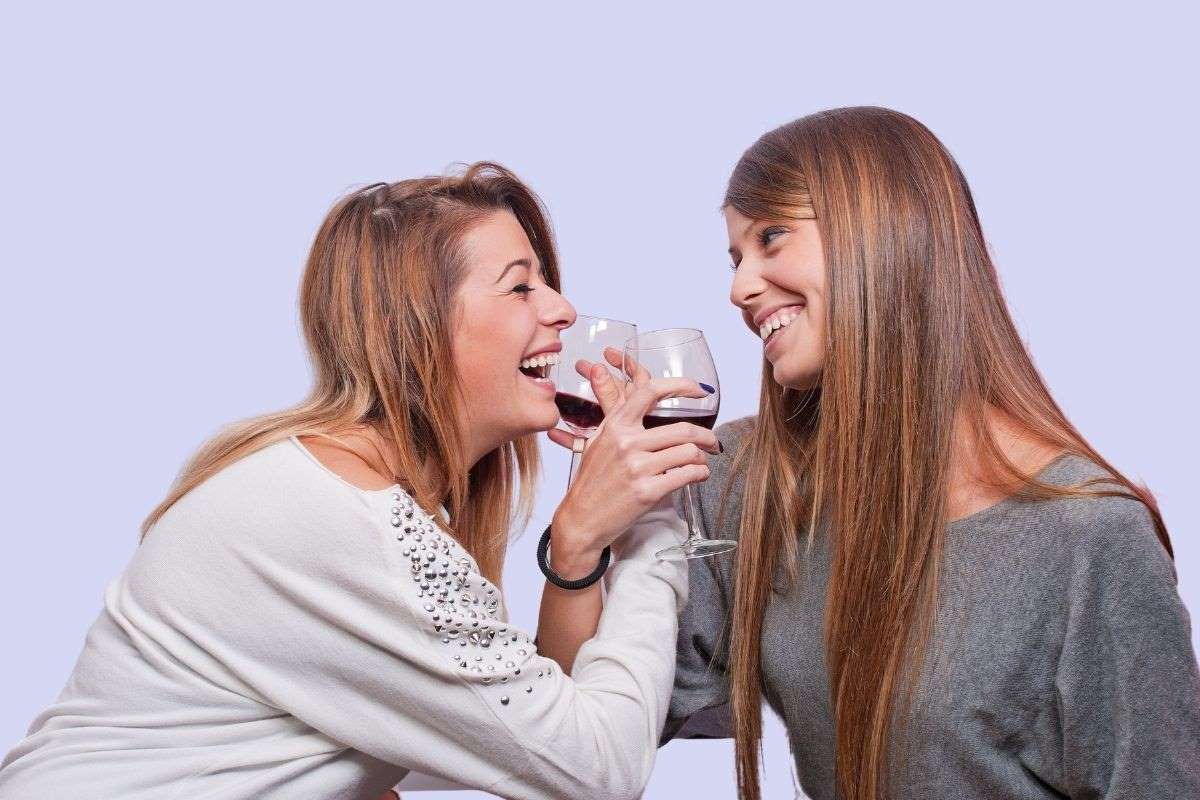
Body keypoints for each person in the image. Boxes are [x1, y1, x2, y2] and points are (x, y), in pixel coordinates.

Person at [0, 162, 719, 799]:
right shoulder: (348, 524)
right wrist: (656, 523)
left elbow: (524, 734)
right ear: (415, 325)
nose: (561, 308)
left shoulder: (349, 495)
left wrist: (581, 546)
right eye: (519, 286)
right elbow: (597, 772)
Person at [663, 107, 1200, 800]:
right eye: (736, 258)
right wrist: (585, 541)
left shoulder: (1086, 538)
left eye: (772, 237)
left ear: (884, 234)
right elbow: (601, 738)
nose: (739, 288)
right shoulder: (745, 479)